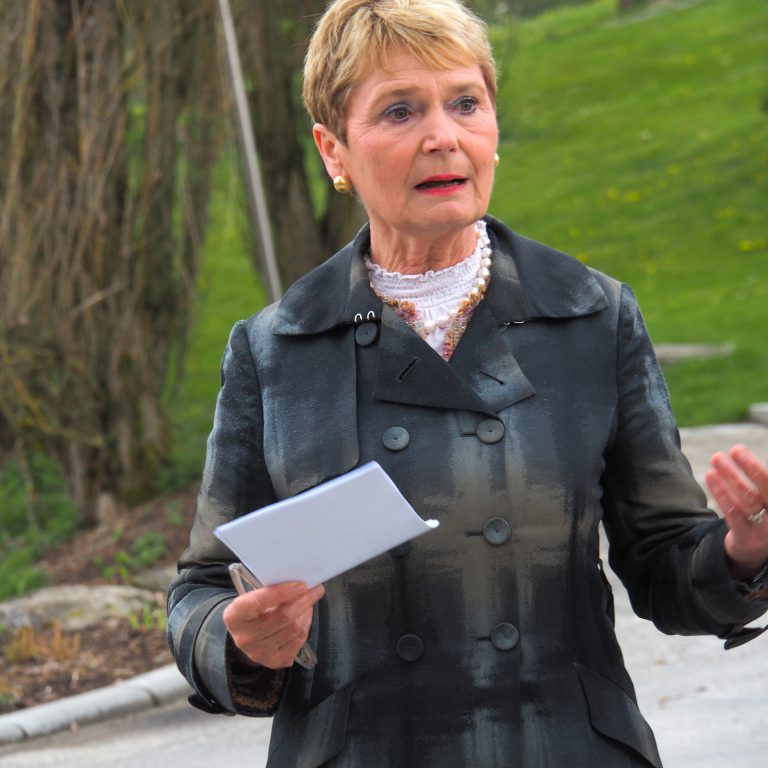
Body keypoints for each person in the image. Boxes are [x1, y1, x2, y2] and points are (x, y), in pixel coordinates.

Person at [166, 1, 768, 765]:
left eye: (465, 103)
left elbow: (664, 563)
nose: (442, 135)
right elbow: (202, 591)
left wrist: (742, 555)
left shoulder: (590, 315)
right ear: (334, 151)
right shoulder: (278, 348)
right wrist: (238, 637)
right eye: (398, 110)